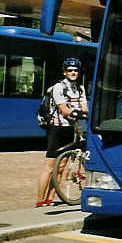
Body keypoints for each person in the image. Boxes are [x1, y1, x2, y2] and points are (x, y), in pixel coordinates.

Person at [36, 57, 88, 207]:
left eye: (76, 70)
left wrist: (78, 112)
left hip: (72, 129)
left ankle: (50, 199)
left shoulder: (80, 88)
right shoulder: (58, 87)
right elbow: (64, 110)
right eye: (70, 70)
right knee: (50, 166)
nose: (73, 72)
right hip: (57, 129)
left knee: (61, 167)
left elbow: (85, 109)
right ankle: (40, 200)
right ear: (64, 72)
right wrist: (77, 112)